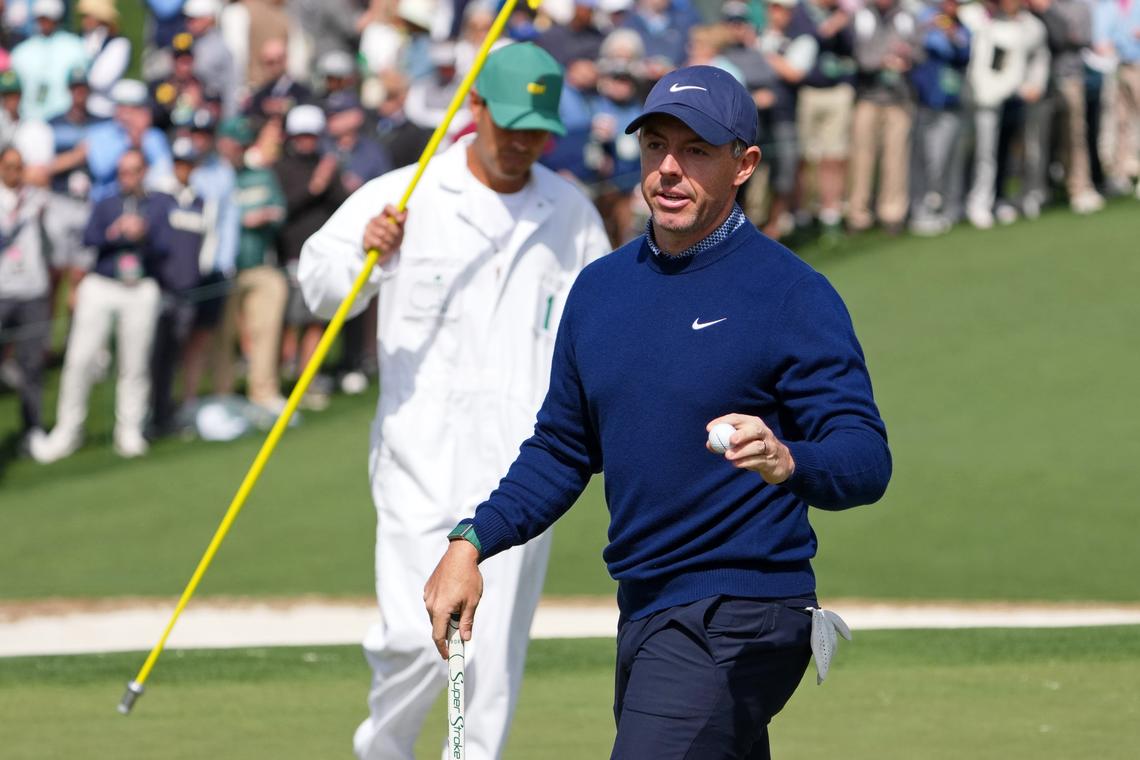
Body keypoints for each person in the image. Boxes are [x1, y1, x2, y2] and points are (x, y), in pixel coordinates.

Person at [422, 65, 892, 759]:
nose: (669, 169)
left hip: (745, 611)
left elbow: (865, 458)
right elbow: (562, 449)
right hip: (647, 607)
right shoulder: (600, 290)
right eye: (655, 147)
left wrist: (788, 458)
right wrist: (472, 542)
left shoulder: (792, 293)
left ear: (744, 165)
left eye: (695, 150)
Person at [298, 42, 610, 760]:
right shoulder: (408, 194)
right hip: (418, 457)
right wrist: (367, 255)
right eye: (511, 124)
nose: (523, 142)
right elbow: (318, 285)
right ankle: (383, 749)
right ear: (475, 108)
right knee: (414, 637)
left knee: (490, 657)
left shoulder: (572, 213)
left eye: (537, 130)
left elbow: (600, 327)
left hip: (523, 469)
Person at [31, 149, 173, 462]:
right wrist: (115, 232)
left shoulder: (159, 204)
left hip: (140, 286)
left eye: (133, 171)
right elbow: (89, 238)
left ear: (144, 172)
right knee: (79, 360)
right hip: (103, 283)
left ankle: (130, 430)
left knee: (134, 363)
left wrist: (144, 233)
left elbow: (165, 246)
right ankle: (68, 431)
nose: (127, 178)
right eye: (123, 172)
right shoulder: (106, 202)